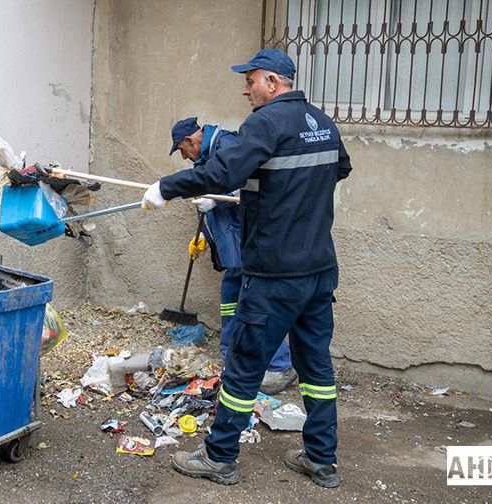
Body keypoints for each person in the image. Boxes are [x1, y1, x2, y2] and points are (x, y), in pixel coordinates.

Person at [143, 49, 352, 488]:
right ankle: (321, 459)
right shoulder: (323, 123)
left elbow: (221, 173)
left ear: (272, 83)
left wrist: (166, 187)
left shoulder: (265, 123)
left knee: (244, 365)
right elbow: (341, 169)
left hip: (275, 273)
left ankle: (219, 457)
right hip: (318, 269)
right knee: (317, 370)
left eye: (250, 80)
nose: (245, 90)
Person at [169, 117, 296, 394]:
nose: (184, 157)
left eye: (182, 150)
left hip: (250, 241)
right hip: (234, 248)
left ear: (191, 141)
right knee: (230, 298)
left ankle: (279, 366)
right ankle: (232, 356)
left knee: (256, 306)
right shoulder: (206, 158)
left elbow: (253, 181)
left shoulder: (228, 145)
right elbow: (206, 194)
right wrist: (204, 235)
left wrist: (217, 200)